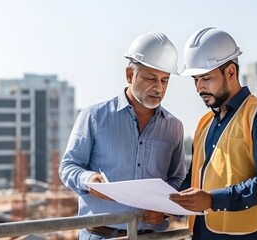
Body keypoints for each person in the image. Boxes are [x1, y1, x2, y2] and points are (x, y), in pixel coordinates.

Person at [59, 31, 186, 240]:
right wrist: (88, 180)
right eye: (151, 78)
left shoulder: (174, 127)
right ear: (129, 75)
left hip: (150, 236)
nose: (159, 88)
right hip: (100, 234)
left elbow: (177, 178)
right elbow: (68, 166)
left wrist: (165, 207)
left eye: (165, 80)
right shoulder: (94, 117)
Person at [170, 27, 257, 240]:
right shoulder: (204, 123)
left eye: (205, 78)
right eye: (195, 80)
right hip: (202, 234)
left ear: (230, 72)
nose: (199, 88)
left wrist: (214, 200)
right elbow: (194, 180)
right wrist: (167, 205)